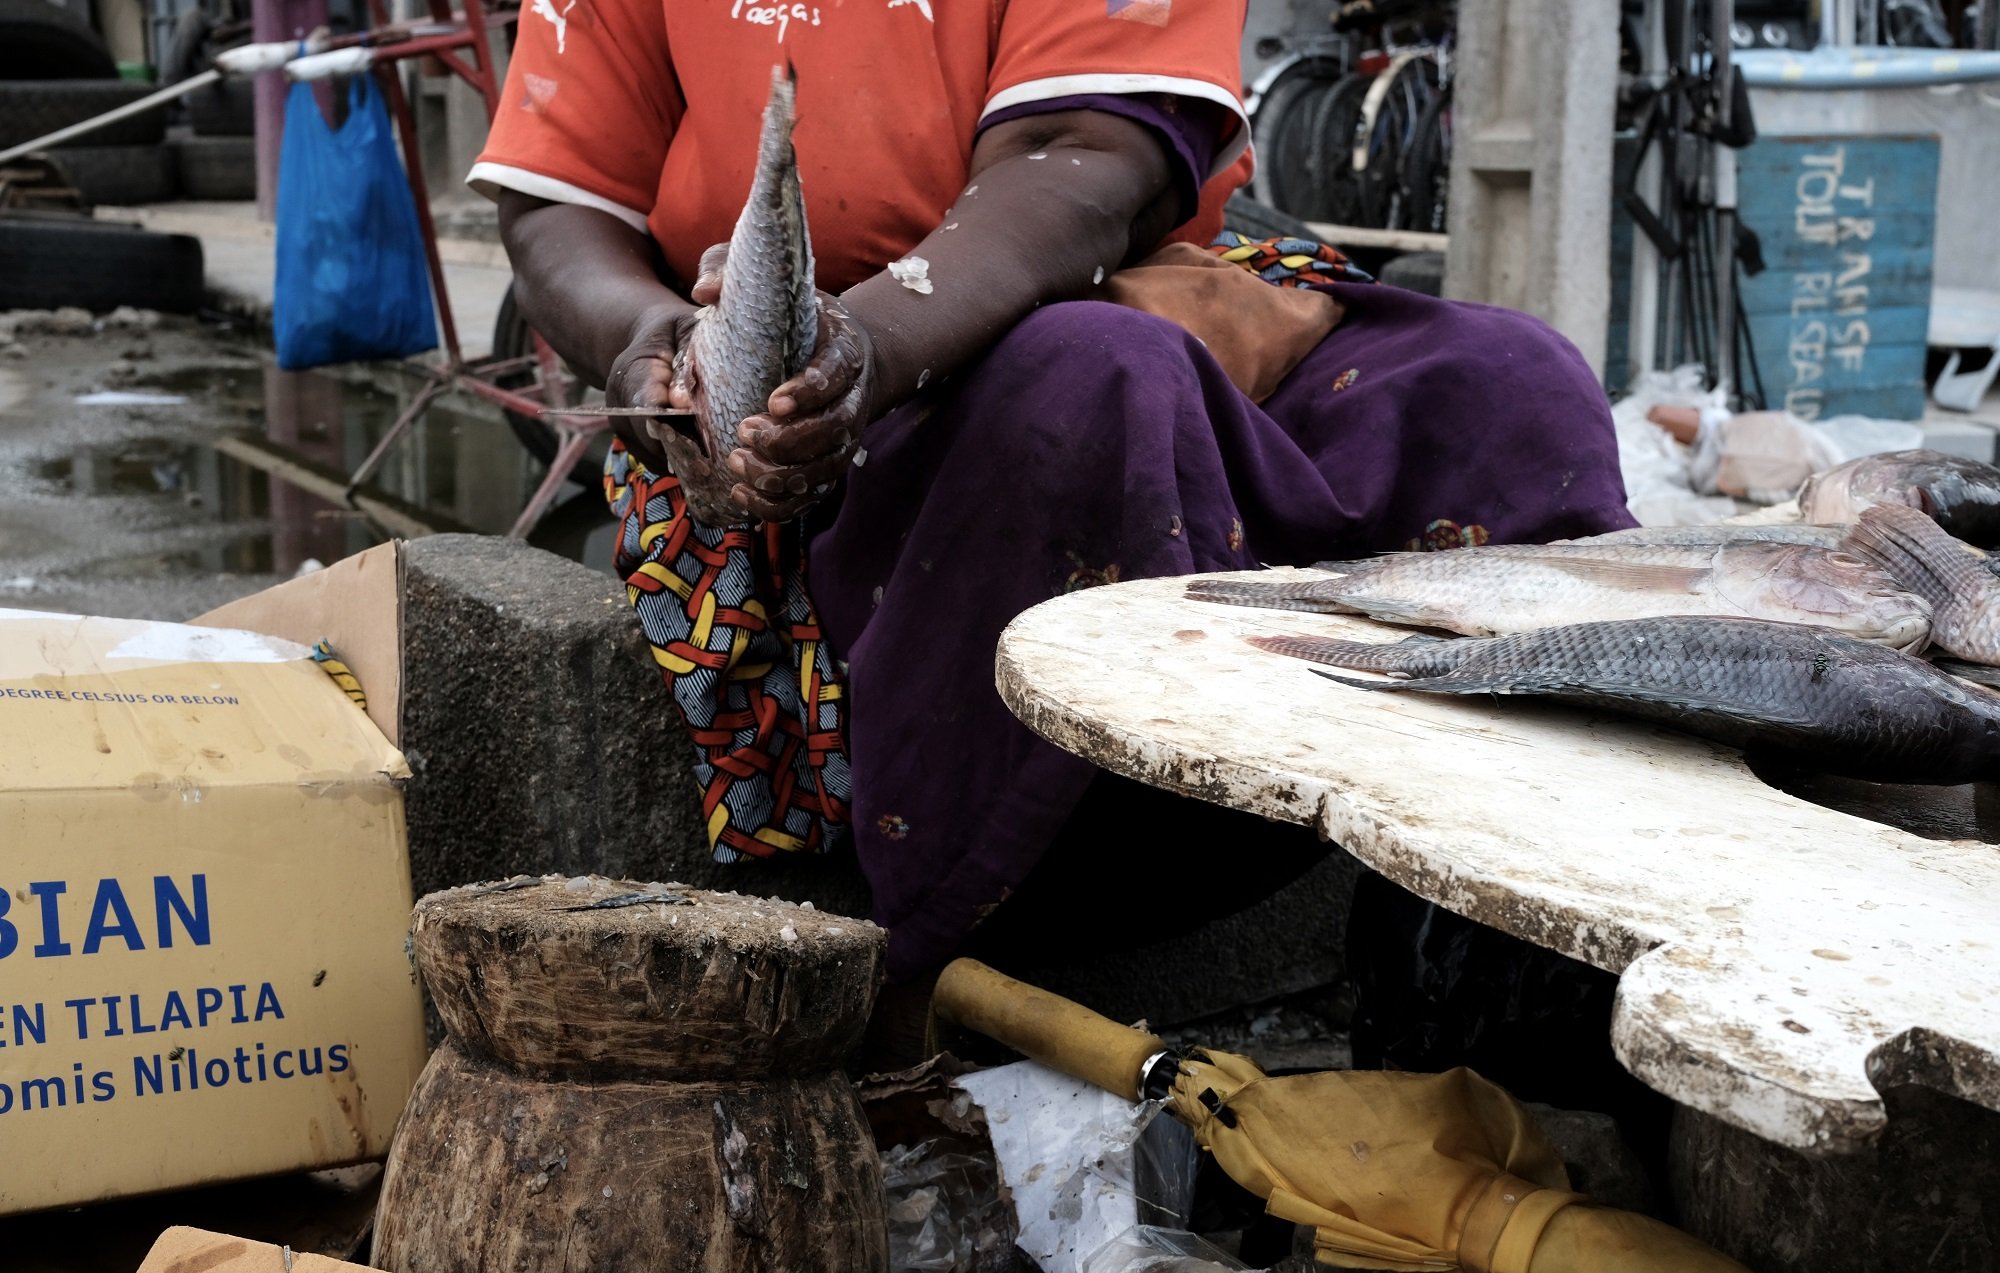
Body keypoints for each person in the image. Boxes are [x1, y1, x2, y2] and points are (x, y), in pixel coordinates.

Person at [470, 0, 1636, 988]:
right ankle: (943, 952)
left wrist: (866, 347)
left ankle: (1502, 928)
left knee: (1507, 383)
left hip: (1066, 297)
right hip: (803, 417)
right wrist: (653, 345)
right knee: (1093, 382)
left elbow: (1091, 154)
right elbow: (560, 205)